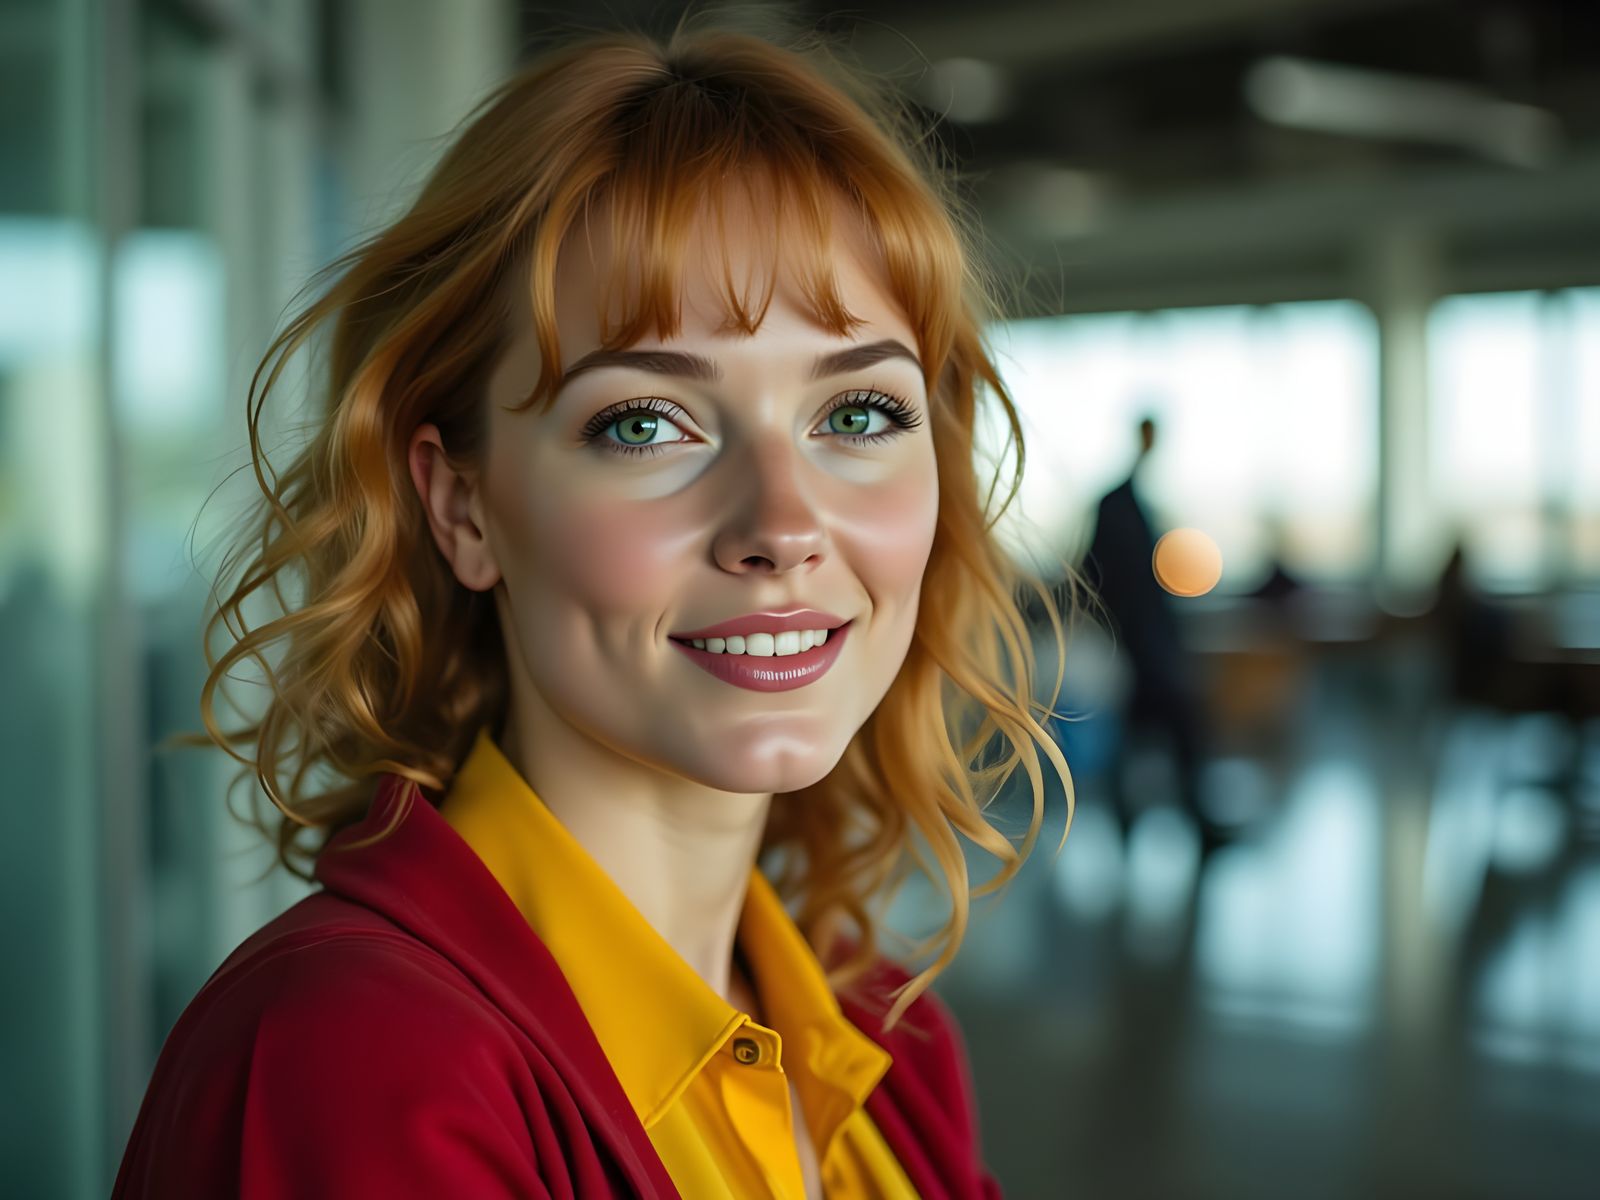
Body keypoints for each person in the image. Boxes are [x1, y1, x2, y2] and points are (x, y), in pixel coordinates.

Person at [112, 21, 1075, 1200]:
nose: (781, 524)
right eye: (644, 423)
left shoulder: (888, 1036)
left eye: (859, 415)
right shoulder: (359, 1059)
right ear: (461, 507)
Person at [1081, 414, 1227, 853]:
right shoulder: (1118, 504)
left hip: (1139, 643)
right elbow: (1099, 575)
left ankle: (1137, 825)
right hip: (1133, 645)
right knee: (1165, 729)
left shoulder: (1127, 502)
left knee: (1148, 736)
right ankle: (1154, 825)